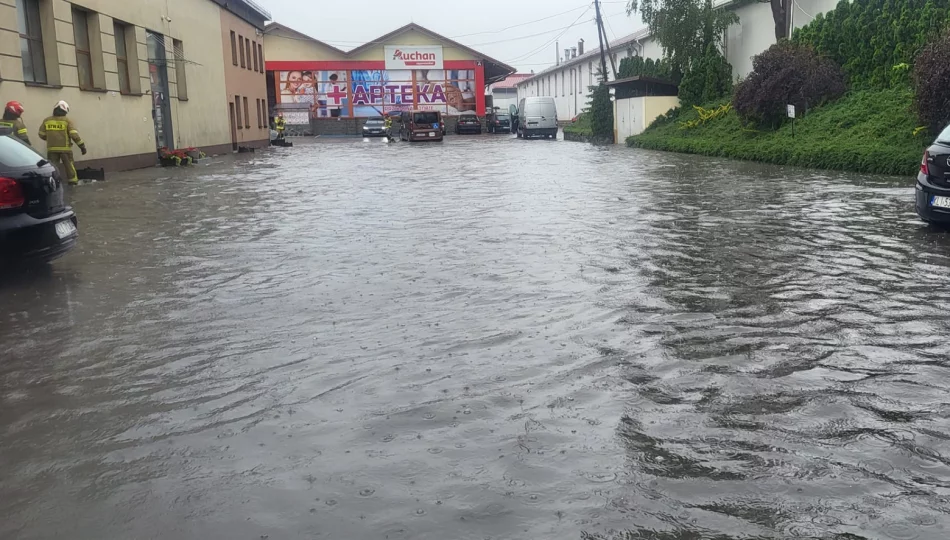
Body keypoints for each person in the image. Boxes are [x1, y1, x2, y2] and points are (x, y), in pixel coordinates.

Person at [38, 100, 86, 186]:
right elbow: (74, 135)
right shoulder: (67, 121)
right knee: (69, 166)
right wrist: (82, 146)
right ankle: (73, 182)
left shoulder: (47, 120)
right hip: (65, 149)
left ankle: (53, 183)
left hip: (51, 149)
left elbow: (41, 134)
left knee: (53, 167)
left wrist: (51, 139)